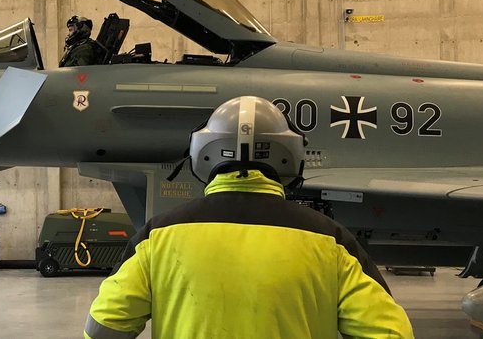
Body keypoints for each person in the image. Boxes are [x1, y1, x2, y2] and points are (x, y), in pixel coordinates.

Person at [84, 96, 413, 339]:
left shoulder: (157, 236)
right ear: (291, 155)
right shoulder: (331, 241)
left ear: (202, 151)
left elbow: (103, 327)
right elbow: (390, 332)